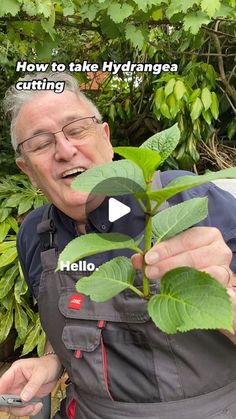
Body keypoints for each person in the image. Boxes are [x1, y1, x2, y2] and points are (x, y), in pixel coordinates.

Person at [0, 71, 236, 419]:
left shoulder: (195, 202)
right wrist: (53, 362)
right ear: (28, 170)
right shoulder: (36, 235)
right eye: (40, 144)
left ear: (107, 139)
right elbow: (68, 322)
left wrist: (223, 293)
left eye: (77, 129)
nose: (65, 151)